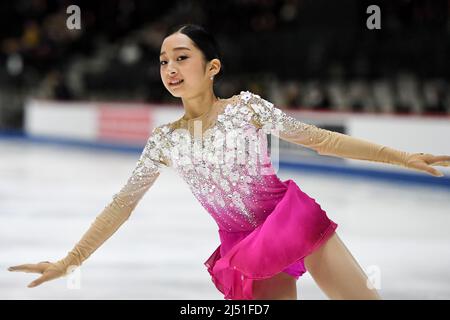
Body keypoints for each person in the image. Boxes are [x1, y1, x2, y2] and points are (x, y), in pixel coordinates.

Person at [8, 24, 450, 300]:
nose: (170, 68)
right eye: (164, 61)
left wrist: (399, 156)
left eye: (182, 57)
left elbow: (319, 140)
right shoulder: (165, 140)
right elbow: (122, 204)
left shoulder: (246, 108)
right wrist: (72, 259)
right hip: (243, 248)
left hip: (289, 219)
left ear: (212, 66)